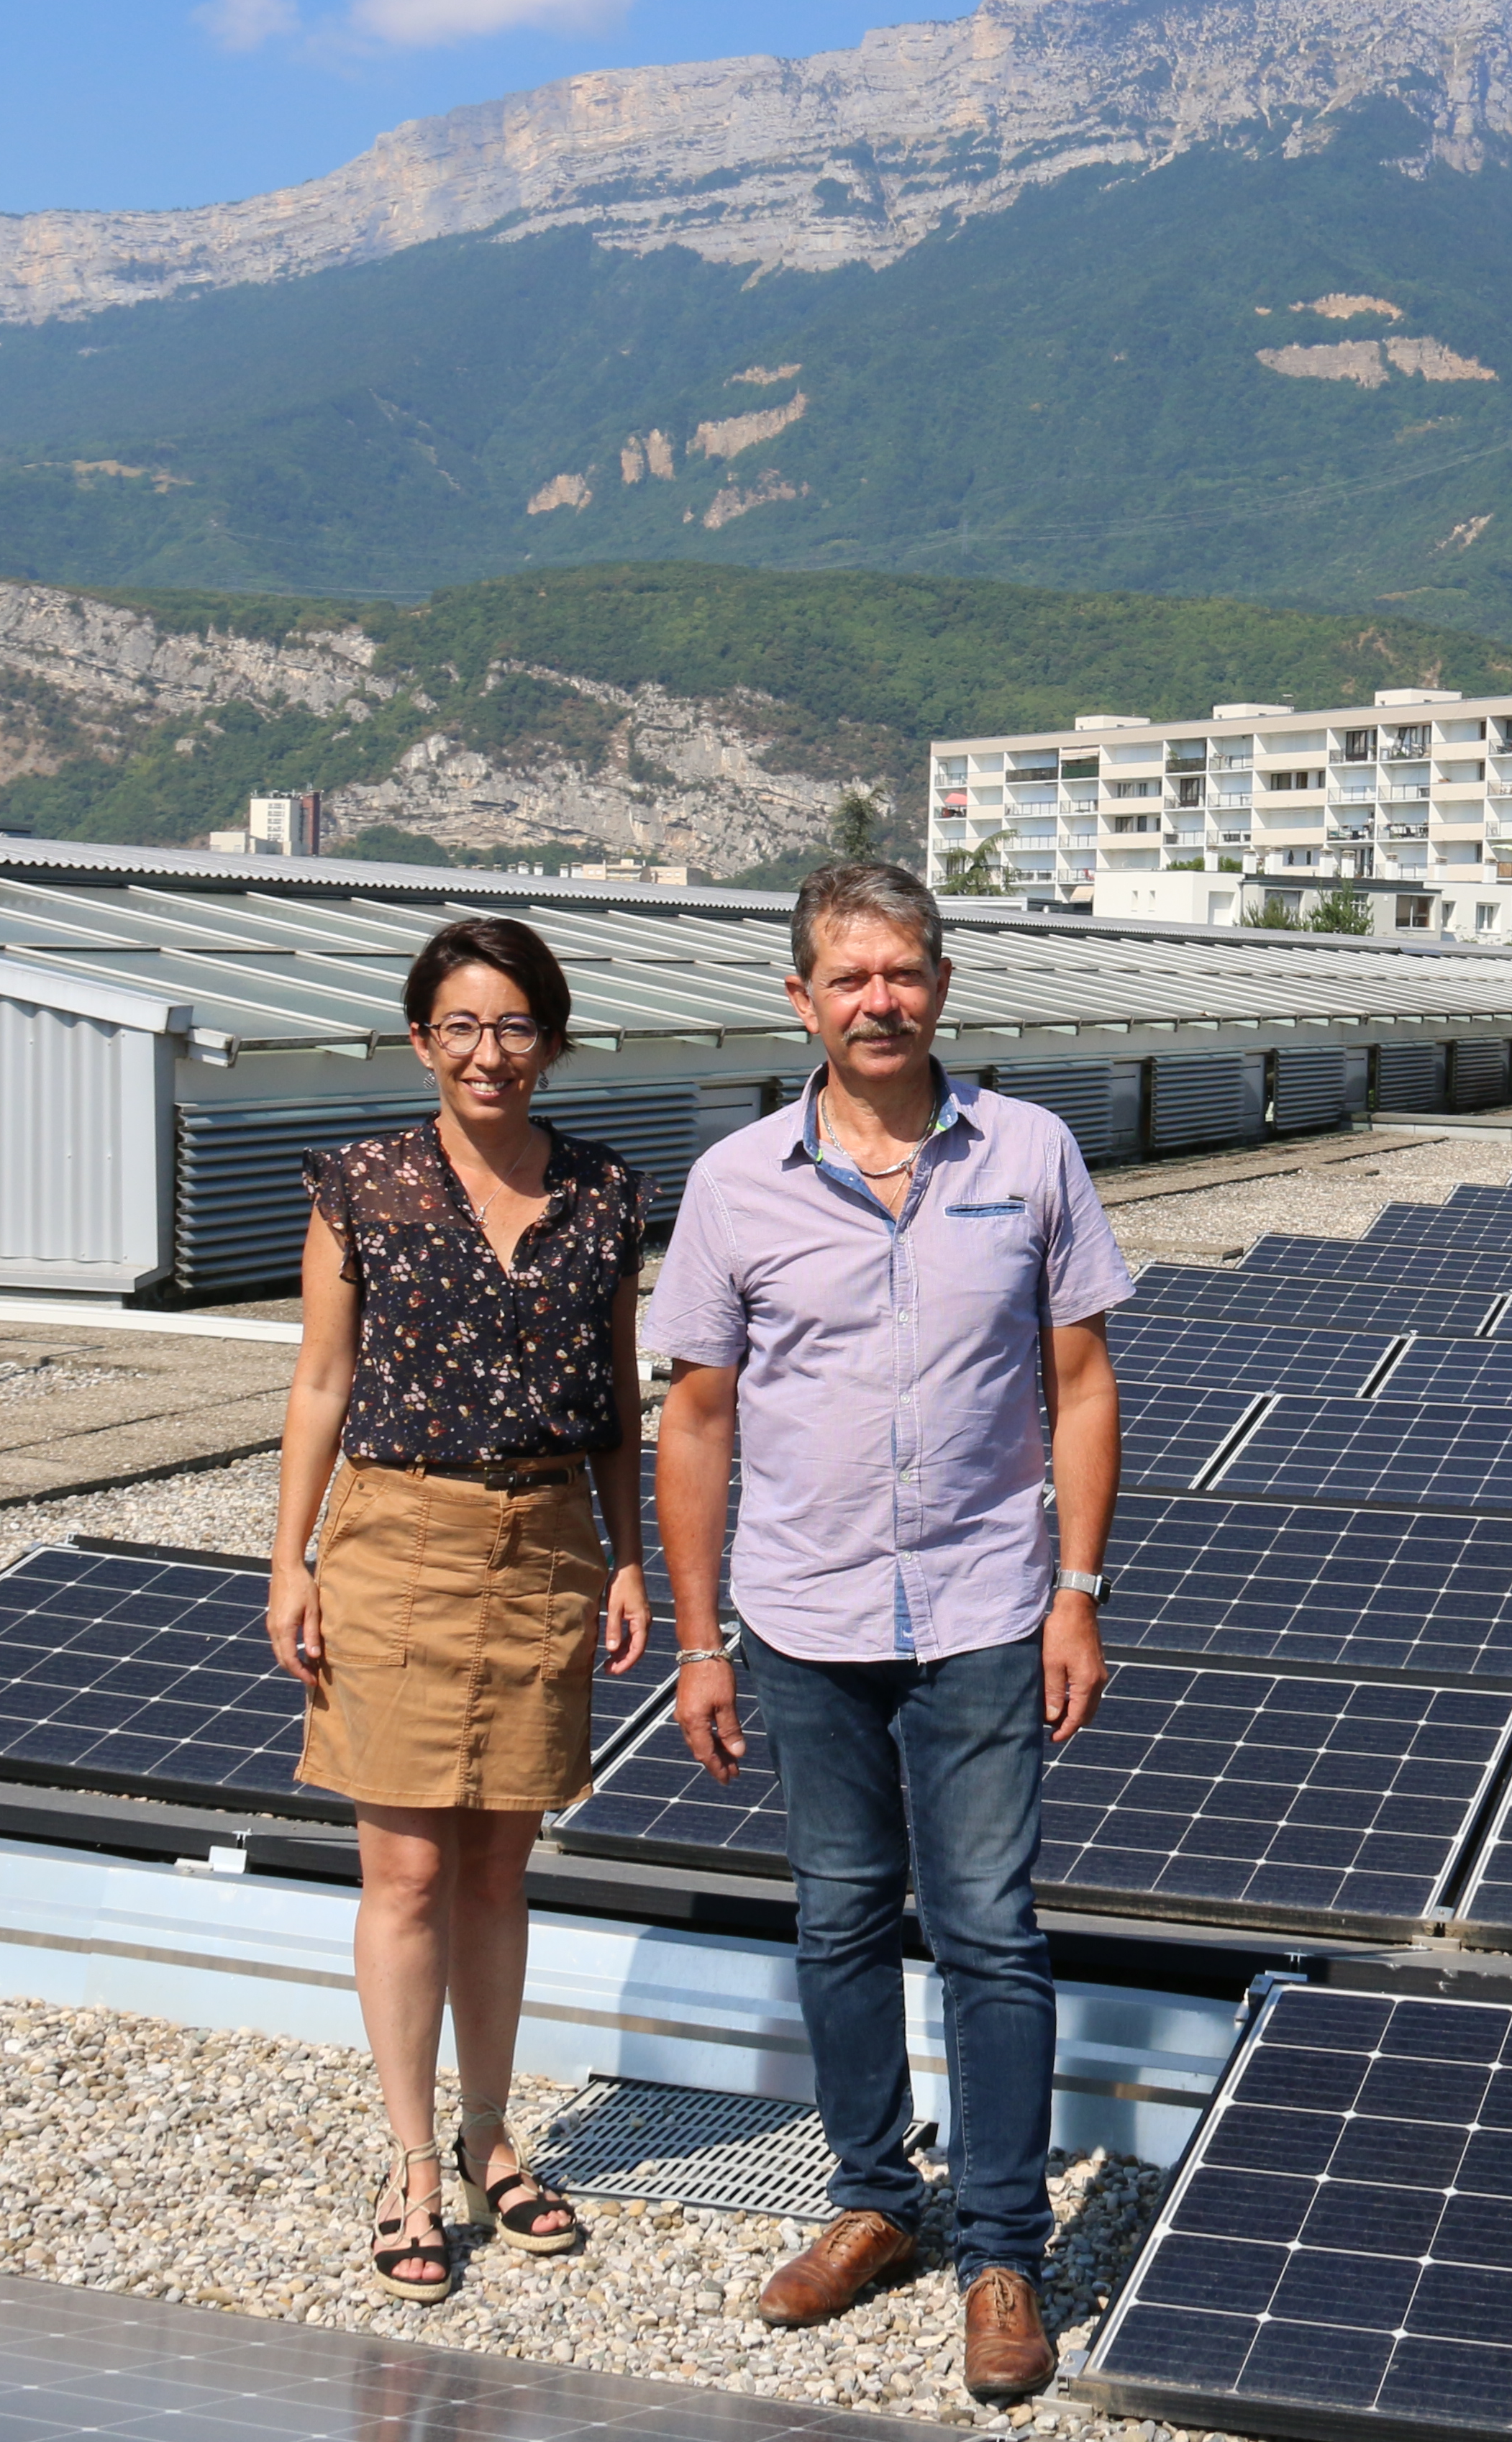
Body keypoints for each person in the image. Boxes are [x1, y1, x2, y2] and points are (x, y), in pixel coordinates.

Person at [642, 859, 1132, 2405]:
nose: (879, 1001)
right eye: (848, 977)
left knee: (990, 1928)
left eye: (904, 973)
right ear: (800, 998)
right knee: (843, 1915)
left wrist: (1079, 1591)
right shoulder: (735, 1186)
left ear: (941, 986)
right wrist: (700, 1638)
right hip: (803, 1614)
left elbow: (1080, 1387)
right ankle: (873, 2200)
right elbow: (698, 1421)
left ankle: (1003, 2249)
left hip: (988, 1604)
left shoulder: (1032, 1153)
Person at [263, 914, 652, 2303]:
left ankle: (495, 2137)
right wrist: (289, 1557)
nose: (490, 1054)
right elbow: (320, 1380)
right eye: (462, 1028)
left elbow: (619, 1396)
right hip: (395, 1535)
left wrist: (627, 1555)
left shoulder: (606, 1190)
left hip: (548, 1536)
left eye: (516, 1027)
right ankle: (413, 2161)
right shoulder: (360, 1182)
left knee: (502, 1863)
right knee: (408, 1869)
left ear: (551, 1038)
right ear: (421, 1039)